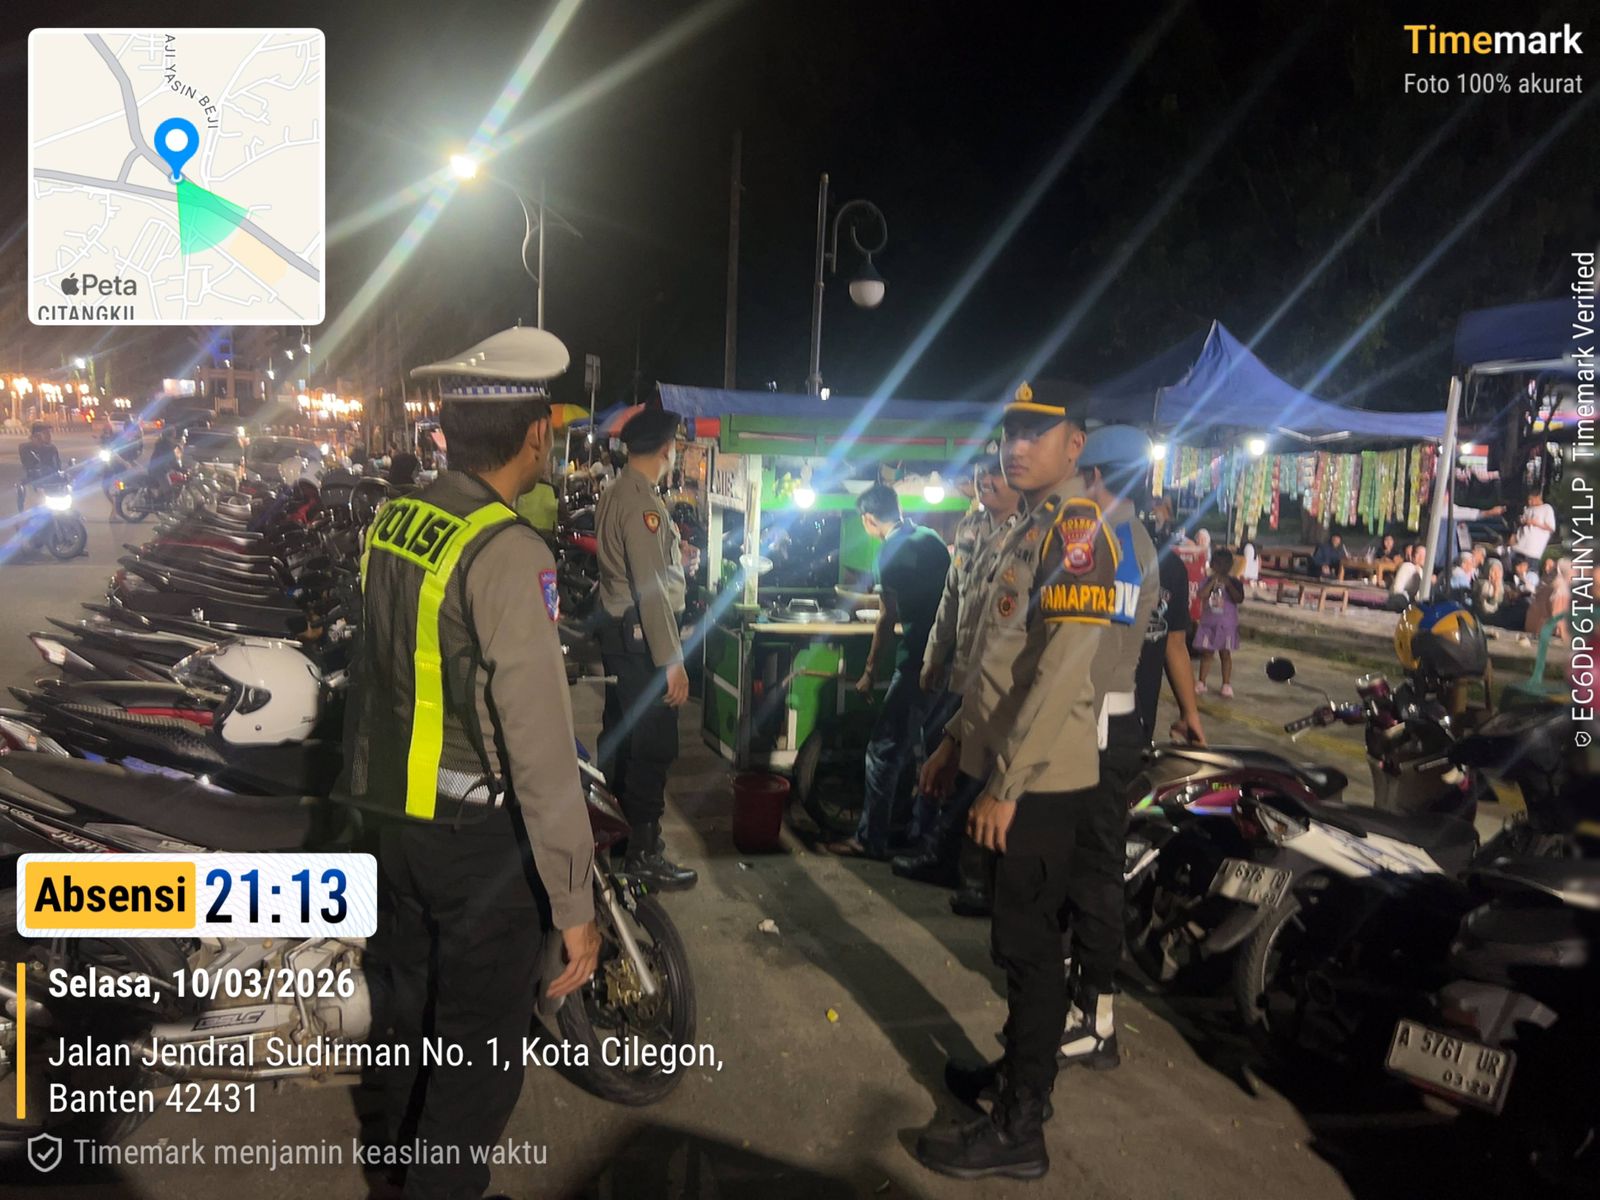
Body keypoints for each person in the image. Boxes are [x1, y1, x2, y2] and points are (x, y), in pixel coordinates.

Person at [335, 326, 600, 1200]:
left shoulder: (397, 519)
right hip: (474, 845)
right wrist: (575, 903)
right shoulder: (509, 551)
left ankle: (397, 1171)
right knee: (476, 1062)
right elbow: (540, 750)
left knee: (409, 1022)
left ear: (447, 430)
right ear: (537, 436)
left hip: (395, 825)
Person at [913, 382, 1130, 1181]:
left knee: (1032, 951)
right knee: (1017, 944)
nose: (1016, 446)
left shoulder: (1077, 532)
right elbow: (997, 657)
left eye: (1037, 433)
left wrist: (1006, 783)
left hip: (1039, 780)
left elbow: (1062, 670)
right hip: (1012, 768)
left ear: (1076, 445)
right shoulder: (1025, 527)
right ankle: (1016, 1078)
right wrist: (954, 742)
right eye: (1011, 431)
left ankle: (1020, 1126)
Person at [900, 455, 1020, 903]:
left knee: (980, 777)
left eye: (995, 473)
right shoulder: (970, 528)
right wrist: (934, 654)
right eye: (980, 474)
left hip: (999, 681)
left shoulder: (1027, 535)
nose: (985, 480)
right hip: (961, 674)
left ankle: (974, 875)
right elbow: (951, 598)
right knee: (946, 769)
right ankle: (940, 855)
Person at [594, 407, 698, 889]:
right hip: (643, 641)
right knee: (652, 745)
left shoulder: (617, 491)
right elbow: (651, 591)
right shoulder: (643, 505)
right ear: (666, 449)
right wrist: (672, 661)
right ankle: (643, 853)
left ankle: (615, 838)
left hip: (621, 635)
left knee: (621, 737)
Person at [827, 482, 951, 860]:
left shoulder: (888, 552)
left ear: (868, 519)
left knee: (883, 750)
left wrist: (869, 670)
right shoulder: (932, 538)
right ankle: (924, 837)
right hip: (952, 659)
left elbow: (886, 617)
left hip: (917, 662)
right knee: (936, 753)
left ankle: (871, 839)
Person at [1193, 548, 1245, 698]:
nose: (1221, 567)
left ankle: (1226, 684)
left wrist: (1228, 585)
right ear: (1212, 565)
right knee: (1207, 653)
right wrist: (1212, 583)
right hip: (1209, 623)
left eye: (1225, 564)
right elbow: (1201, 594)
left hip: (1226, 624)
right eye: (1218, 563)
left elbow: (1238, 599)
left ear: (1230, 566)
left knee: (1225, 654)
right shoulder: (1207, 580)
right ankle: (1202, 682)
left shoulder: (1235, 582)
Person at [1509, 487, 1557, 562]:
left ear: (1538, 497)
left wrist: (1535, 523)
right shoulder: (1528, 509)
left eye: (1531, 499)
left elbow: (1551, 528)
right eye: (1528, 499)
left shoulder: (1547, 508)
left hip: (1532, 552)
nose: (1529, 502)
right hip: (1517, 548)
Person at [1387, 543, 1427, 609]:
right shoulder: (1407, 566)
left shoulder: (1424, 572)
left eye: (1424, 554)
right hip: (1399, 601)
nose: (1421, 557)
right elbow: (1396, 589)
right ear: (1413, 556)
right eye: (1418, 553)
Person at [1472, 557, 1506, 625]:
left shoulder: (1500, 585)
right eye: (1493, 571)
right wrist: (1496, 590)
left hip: (1497, 615)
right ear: (1487, 571)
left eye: (1499, 571)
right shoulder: (1483, 584)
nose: (1497, 574)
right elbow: (1489, 606)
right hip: (1486, 618)